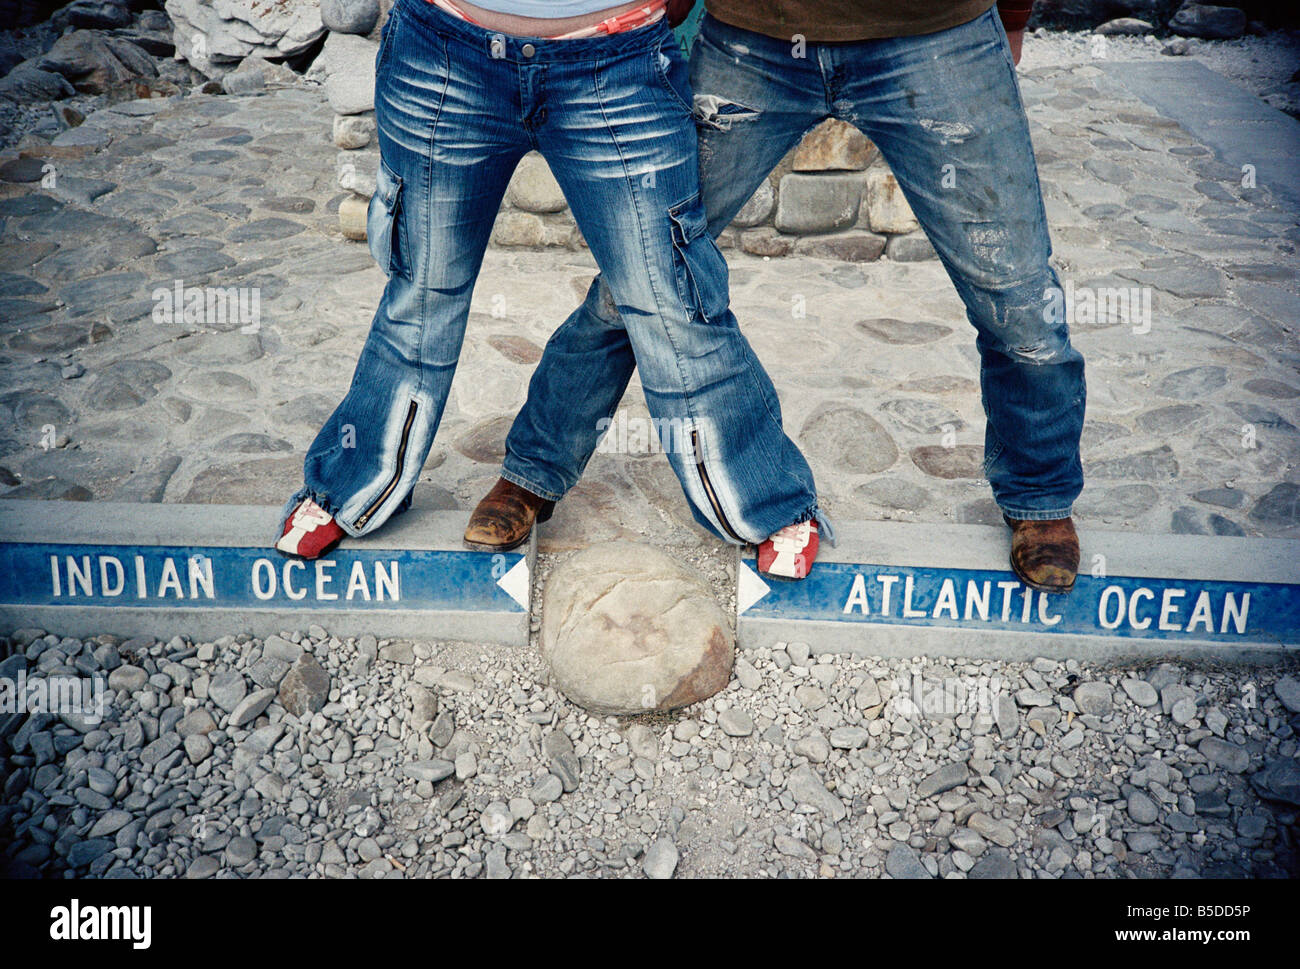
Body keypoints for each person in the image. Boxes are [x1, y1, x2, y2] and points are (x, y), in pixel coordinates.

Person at [469, 0, 1086, 593]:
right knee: (645, 274)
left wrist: (1011, 15)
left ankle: (1039, 496)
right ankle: (533, 473)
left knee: (1019, 298)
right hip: (752, 37)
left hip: (938, 36)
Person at [275, 0, 828, 582]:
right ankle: (349, 481)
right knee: (420, 293)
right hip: (442, 51)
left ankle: (766, 499)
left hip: (617, 61)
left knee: (672, 299)